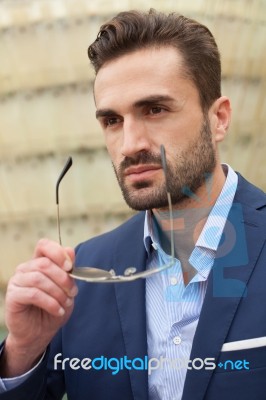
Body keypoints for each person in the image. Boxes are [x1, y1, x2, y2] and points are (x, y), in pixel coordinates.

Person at [0, 8, 265, 400]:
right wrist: (23, 350)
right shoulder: (82, 278)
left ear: (219, 119)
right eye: (111, 121)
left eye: (154, 110)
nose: (130, 144)